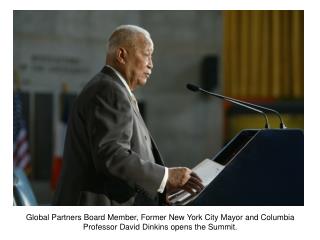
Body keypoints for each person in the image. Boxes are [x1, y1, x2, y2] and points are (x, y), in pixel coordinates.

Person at [53, 25, 204, 206]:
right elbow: (112, 155)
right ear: (122, 55)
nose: (151, 63)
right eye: (147, 54)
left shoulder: (113, 89)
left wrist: (161, 187)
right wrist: (165, 177)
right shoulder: (108, 90)